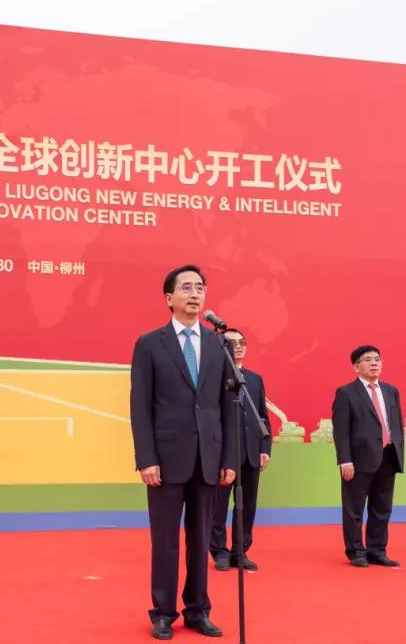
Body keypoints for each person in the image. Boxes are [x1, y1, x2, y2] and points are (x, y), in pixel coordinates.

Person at [130, 265, 237, 640]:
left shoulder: (218, 344)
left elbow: (227, 407)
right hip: (165, 459)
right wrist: (146, 458)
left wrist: (228, 458)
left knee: (200, 538)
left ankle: (197, 609)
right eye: (187, 287)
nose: (195, 294)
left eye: (200, 288)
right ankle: (163, 611)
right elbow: (140, 405)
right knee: (165, 541)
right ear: (169, 298)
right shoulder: (149, 344)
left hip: (208, 458)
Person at [330, 345, 405, 567]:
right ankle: (356, 551)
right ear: (356, 367)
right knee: (354, 509)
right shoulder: (346, 393)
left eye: (377, 359)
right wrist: (345, 460)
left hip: (388, 456)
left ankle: (377, 550)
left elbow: (396, 423)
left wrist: (398, 450)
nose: (374, 363)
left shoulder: (391, 391)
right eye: (367, 360)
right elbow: (341, 430)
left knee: (382, 508)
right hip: (358, 460)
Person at [210, 328, 271, 572]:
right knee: (218, 506)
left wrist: (265, 447)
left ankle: (240, 550)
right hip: (223, 454)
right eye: (231, 343)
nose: (238, 346)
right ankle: (219, 550)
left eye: (242, 342)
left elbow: (262, 416)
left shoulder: (254, 379)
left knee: (246, 505)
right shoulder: (213, 378)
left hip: (251, 452)